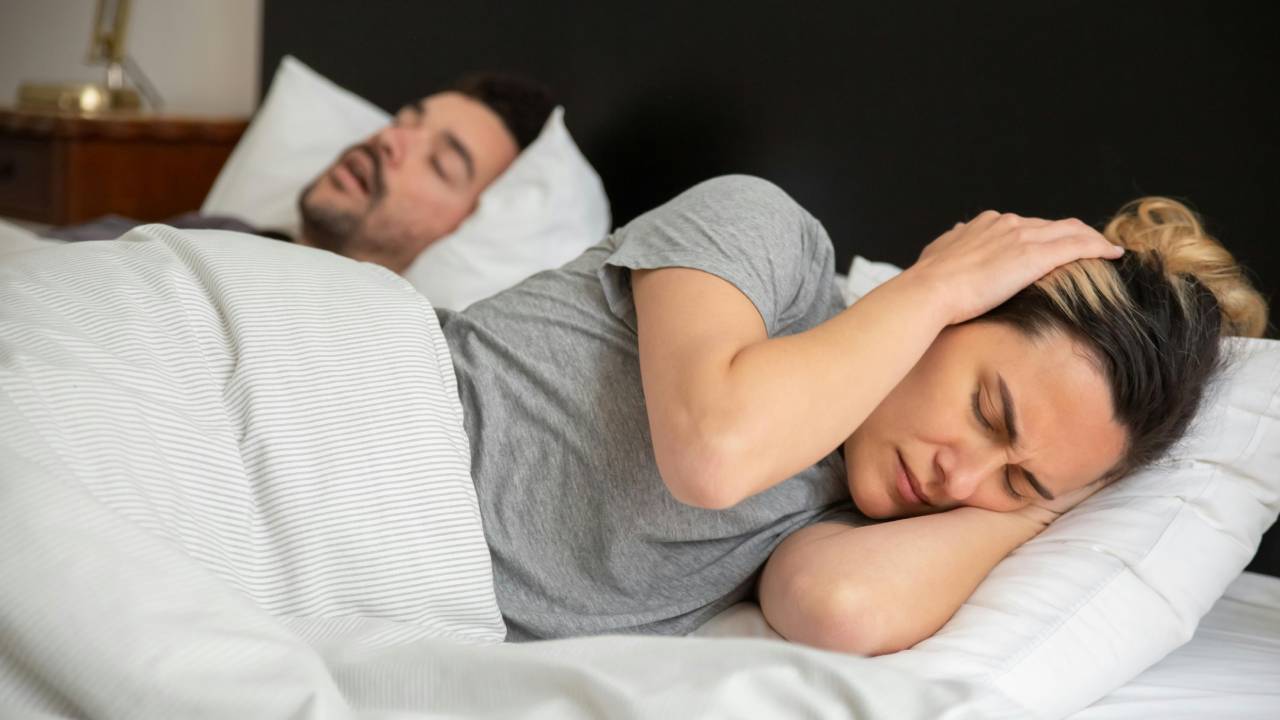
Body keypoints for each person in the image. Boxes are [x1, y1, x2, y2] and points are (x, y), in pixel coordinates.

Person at [433, 174, 1267, 650]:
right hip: (339, 408)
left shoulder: (853, 516)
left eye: (1019, 479)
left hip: (369, 584)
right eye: (988, 410)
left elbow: (838, 608)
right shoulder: (768, 243)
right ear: (960, 309)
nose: (962, 476)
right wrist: (931, 285)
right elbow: (713, 452)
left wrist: (1042, 509)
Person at [44, 73, 554, 274]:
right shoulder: (221, 229)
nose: (389, 140)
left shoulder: (375, 340)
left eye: (440, 163)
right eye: (403, 120)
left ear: (467, 228)